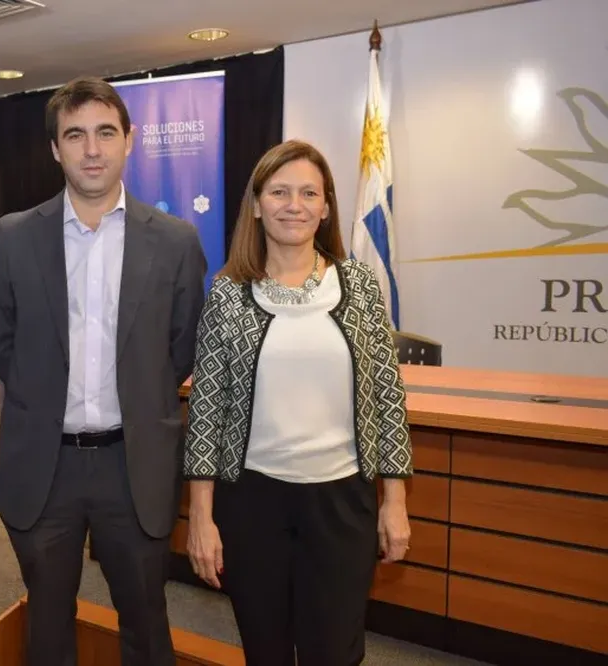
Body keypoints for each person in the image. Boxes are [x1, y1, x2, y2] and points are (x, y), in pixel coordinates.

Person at [0, 76, 207, 666]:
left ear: (130, 140)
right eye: (75, 135)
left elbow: (182, 349)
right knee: (48, 625)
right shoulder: (13, 236)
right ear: (55, 148)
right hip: (43, 466)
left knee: (146, 624)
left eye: (106, 132)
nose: (92, 149)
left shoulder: (177, 242)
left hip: (133, 467)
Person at [183, 139, 413, 666]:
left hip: (342, 504)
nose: (295, 204)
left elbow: (387, 397)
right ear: (258, 204)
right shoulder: (229, 293)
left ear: (327, 205)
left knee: (333, 652)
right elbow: (207, 414)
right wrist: (201, 516)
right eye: (280, 191)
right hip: (252, 503)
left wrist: (394, 502)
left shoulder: (358, 287)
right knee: (264, 652)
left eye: (309, 192)